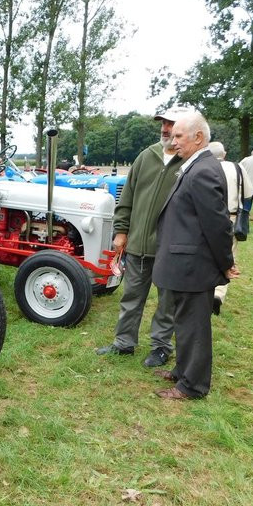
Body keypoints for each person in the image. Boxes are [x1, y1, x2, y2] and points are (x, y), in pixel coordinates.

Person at [95, 106, 191, 368]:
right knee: (131, 296)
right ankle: (124, 343)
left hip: (169, 247)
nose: (166, 129)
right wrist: (121, 231)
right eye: (163, 123)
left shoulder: (189, 161)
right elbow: (127, 197)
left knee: (167, 301)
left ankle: (161, 347)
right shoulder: (146, 156)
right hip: (137, 243)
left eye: (172, 124)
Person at [151, 113, 237, 399]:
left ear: (198, 137)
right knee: (184, 322)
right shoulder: (196, 166)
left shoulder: (203, 171)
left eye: (179, 136)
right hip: (184, 263)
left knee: (194, 326)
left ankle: (192, 386)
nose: (173, 141)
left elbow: (217, 225)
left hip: (193, 265)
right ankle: (182, 371)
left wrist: (226, 264)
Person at [208, 141, 253, 315]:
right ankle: (218, 292)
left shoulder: (203, 168)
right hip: (231, 216)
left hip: (208, 216)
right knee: (229, 253)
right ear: (224, 154)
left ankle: (206, 289)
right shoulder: (237, 168)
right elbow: (248, 193)